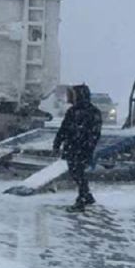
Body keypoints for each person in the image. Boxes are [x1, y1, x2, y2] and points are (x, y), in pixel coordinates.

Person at [52, 84, 103, 212]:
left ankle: (82, 199)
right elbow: (64, 129)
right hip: (75, 147)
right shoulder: (77, 111)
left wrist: (88, 145)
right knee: (76, 172)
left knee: (78, 173)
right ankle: (87, 195)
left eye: (72, 95)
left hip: (80, 148)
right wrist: (58, 143)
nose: (70, 98)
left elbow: (95, 133)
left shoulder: (85, 112)